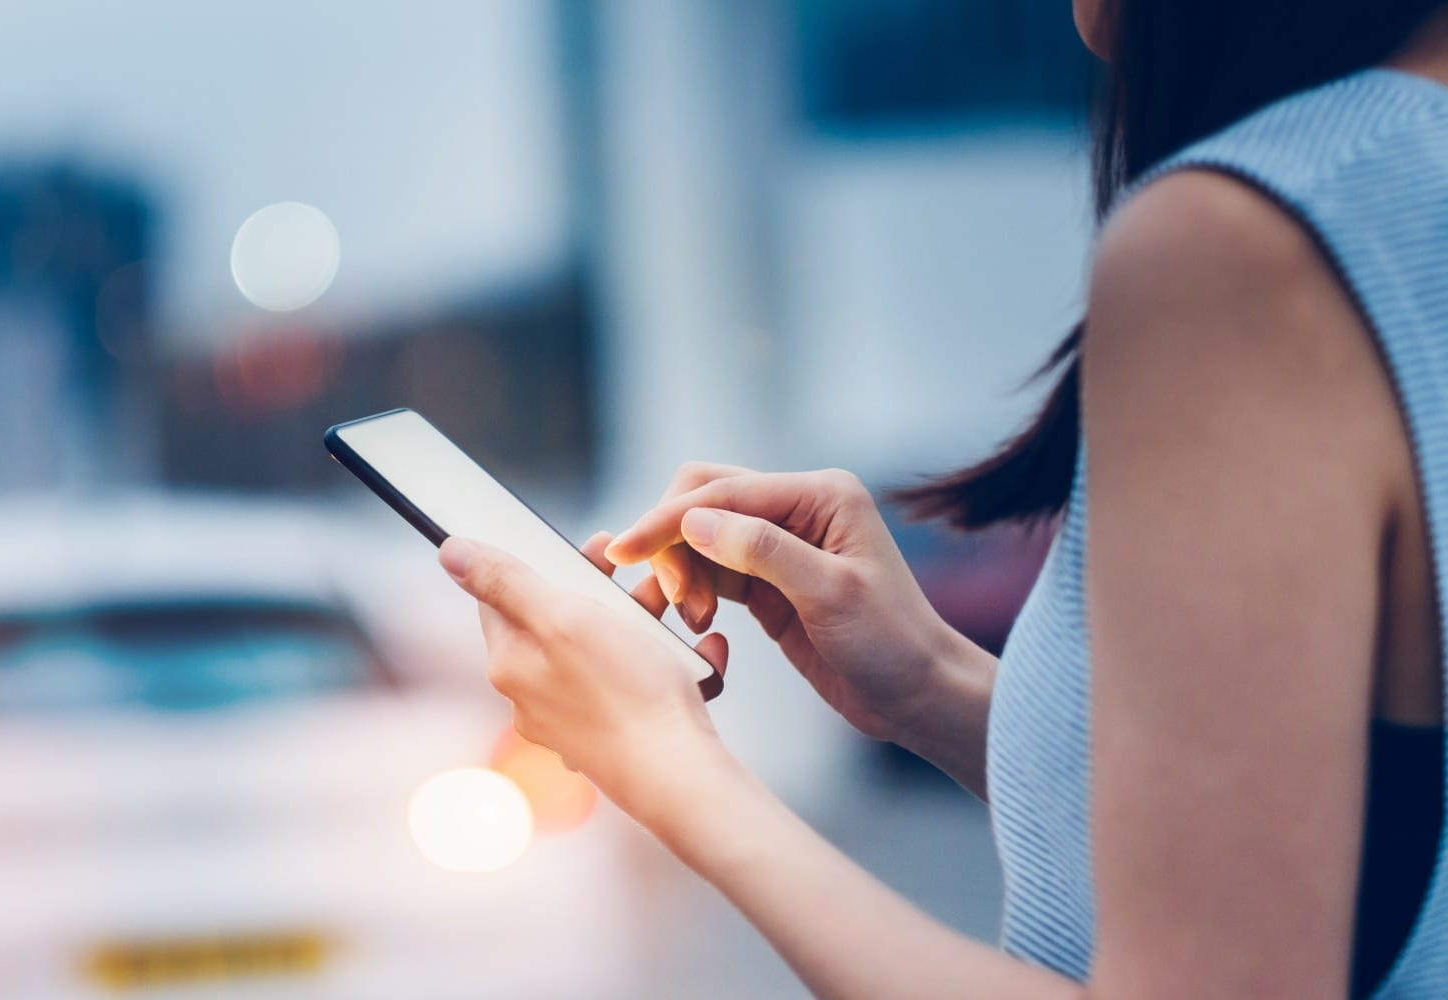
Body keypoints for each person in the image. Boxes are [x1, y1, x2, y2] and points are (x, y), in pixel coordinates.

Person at [434, 1, 1448, 996]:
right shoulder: (1398, 177)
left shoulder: (1246, 247)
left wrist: (664, 763)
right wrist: (925, 682)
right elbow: (1315, 843)